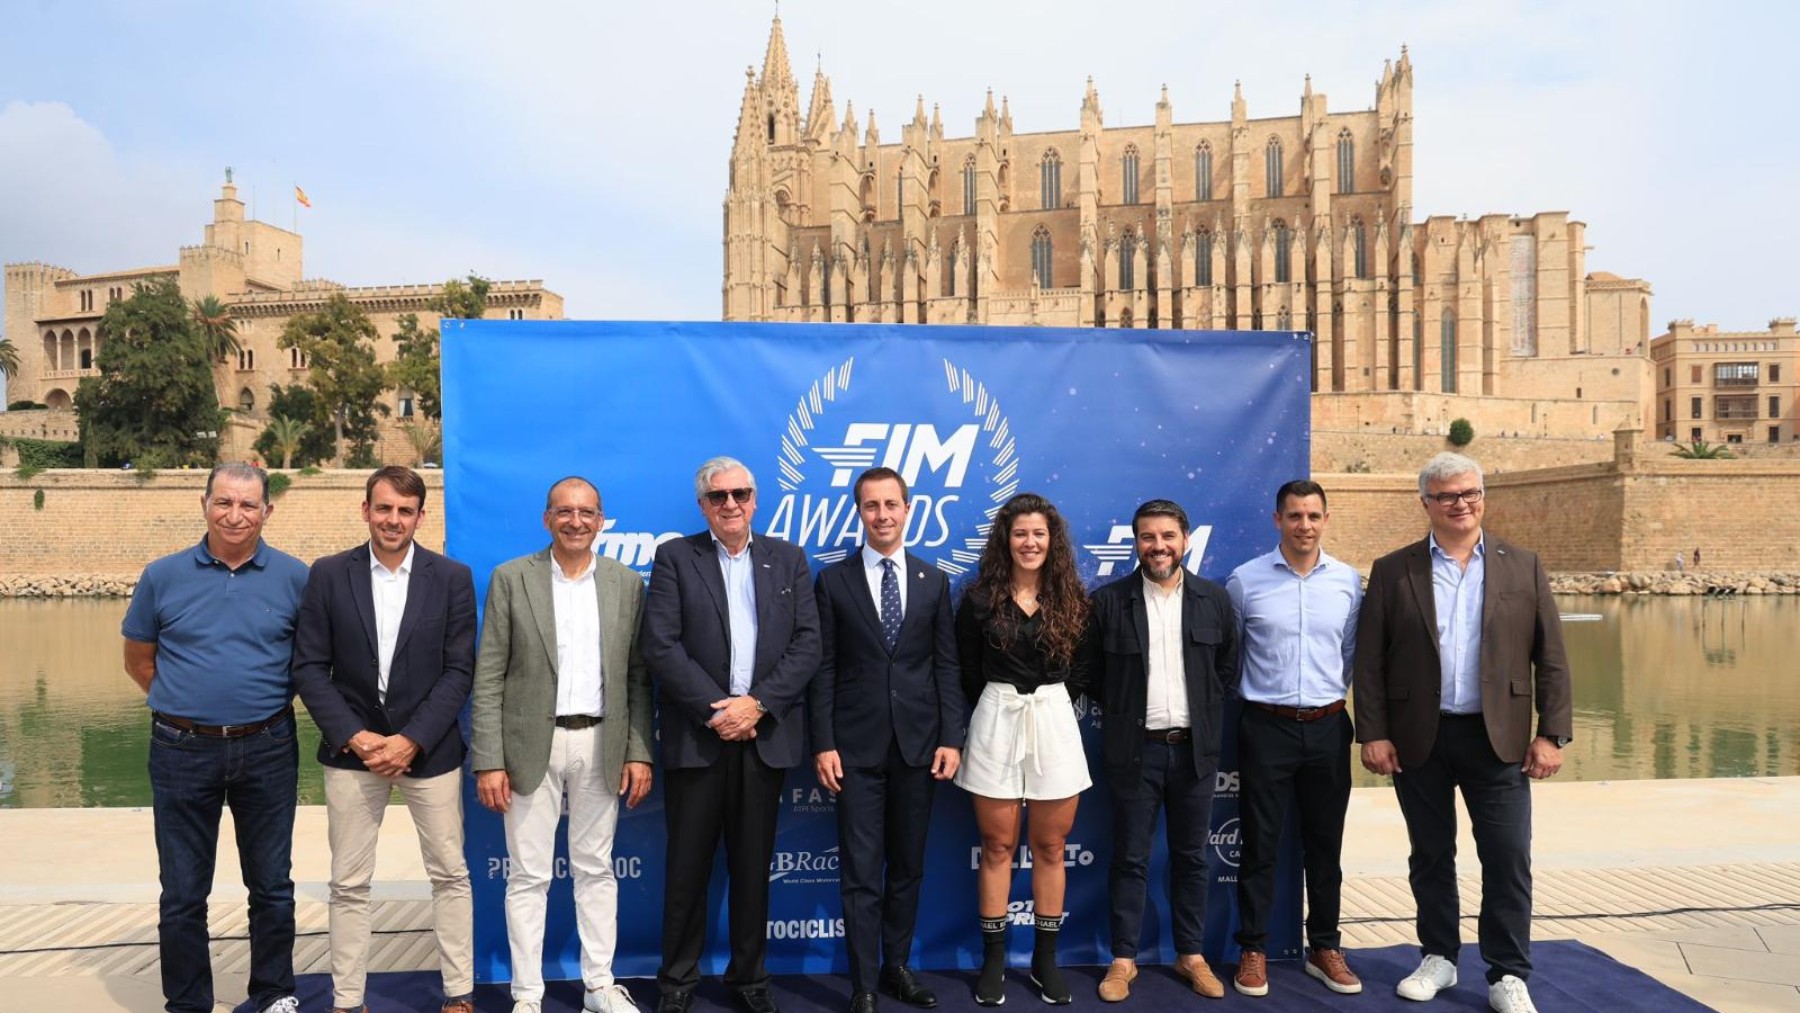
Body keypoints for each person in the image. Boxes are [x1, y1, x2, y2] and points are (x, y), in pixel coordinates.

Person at [1355, 452, 1573, 1013]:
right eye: (1448, 495)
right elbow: (1370, 660)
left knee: (1507, 857)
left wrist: (1552, 734)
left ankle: (1506, 972)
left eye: (1471, 493)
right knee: (1429, 855)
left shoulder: (1521, 565)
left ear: (1483, 496)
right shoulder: (1393, 569)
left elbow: (1550, 657)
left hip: (1496, 739)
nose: (1461, 504)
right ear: (1426, 503)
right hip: (1417, 738)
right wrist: (1372, 732)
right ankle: (1439, 957)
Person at [121, 462, 310, 1013]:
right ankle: (187, 1003)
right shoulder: (163, 575)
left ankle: (274, 994)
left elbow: (308, 662)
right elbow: (139, 660)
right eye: (224, 502)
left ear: (267, 511)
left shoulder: (296, 578)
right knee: (183, 893)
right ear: (203, 504)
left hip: (269, 747)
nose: (235, 515)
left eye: (248, 505)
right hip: (182, 750)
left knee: (272, 885)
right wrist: (188, 708)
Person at [291, 465, 478, 1013]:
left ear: (421, 516)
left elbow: (458, 672)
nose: (393, 519)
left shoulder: (451, 578)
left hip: (431, 751)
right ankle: (348, 1001)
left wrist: (411, 740)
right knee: (348, 883)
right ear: (365, 509)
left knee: (450, 875)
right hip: (352, 755)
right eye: (383, 508)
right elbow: (308, 667)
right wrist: (356, 736)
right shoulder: (328, 574)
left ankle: (459, 995)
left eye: (404, 510)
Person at [642, 456, 822, 1013]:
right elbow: (661, 645)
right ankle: (676, 982)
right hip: (701, 739)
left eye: (740, 494)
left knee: (752, 869)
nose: (730, 504)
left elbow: (808, 644)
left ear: (754, 500)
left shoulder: (788, 559)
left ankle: (750, 978)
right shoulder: (676, 556)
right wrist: (716, 711)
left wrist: (758, 706)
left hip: (763, 738)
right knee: (687, 870)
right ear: (703, 505)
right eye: (718, 496)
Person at [469, 476, 655, 1013]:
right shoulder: (511, 579)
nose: (576, 521)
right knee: (527, 876)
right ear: (547, 518)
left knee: (596, 871)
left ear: (601, 521)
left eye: (587, 512)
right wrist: (489, 759)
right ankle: (527, 996)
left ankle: (599, 986)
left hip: (603, 742)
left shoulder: (625, 583)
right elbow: (489, 676)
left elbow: (638, 678)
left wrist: (638, 749)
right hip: (531, 744)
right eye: (565, 512)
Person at [811, 466, 967, 1013]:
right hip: (854, 750)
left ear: (907, 510)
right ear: (860, 512)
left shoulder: (932, 580)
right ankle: (863, 985)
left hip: (920, 749)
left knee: (907, 866)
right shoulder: (833, 581)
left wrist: (952, 736)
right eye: (871, 506)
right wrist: (823, 742)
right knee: (860, 872)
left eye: (891, 505)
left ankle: (896, 968)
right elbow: (823, 668)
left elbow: (946, 666)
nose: (882, 515)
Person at [1088, 499, 1238, 1002]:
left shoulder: (1213, 600)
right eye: (1148, 537)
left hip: (1195, 754)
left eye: (1168, 536)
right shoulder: (1108, 602)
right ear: (1136, 543)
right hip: (1135, 752)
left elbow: (1227, 670)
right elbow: (1090, 677)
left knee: (1192, 857)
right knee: (1130, 858)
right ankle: (1123, 959)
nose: (1159, 546)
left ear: (1186, 540)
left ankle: (1190, 954)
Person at [954, 492, 1092, 1007]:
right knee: (997, 847)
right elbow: (965, 669)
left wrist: (1051, 701)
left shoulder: (1074, 599)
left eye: (1038, 533)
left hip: (1054, 721)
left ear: (1051, 540)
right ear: (1005, 541)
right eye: (1020, 533)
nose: (1029, 542)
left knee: (1052, 848)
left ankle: (1044, 960)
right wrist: (997, 703)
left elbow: (1084, 670)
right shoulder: (978, 600)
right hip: (995, 719)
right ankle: (994, 962)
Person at [1225, 480, 1362, 998]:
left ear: (1326, 520)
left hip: (1328, 727)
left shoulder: (1348, 582)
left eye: (1313, 516)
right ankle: (1253, 949)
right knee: (1260, 847)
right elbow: (1234, 655)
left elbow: (1347, 656)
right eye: (1294, 515)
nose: (1304, 525)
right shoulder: (1245, 581)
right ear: (1277, 519)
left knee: (1325, 846)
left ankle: (1324, 947)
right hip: (1266, 727)